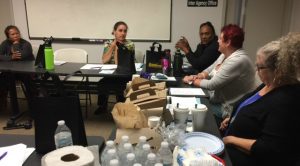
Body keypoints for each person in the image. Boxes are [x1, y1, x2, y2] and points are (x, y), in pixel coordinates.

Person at [220, 33, 300, 166]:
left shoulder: (285, 101)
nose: (256, 71)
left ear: (278, 70)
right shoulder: (269, 83)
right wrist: (234, 117)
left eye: (260, 67)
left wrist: (231, 140)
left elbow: (269, 149)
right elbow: (254, 107)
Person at [182, 24, 255, 124]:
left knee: (189, 110)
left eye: (220, 39)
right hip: (217, 100)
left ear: (228, 42)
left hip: (227, 109)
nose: (218, 41)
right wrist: (198, 76)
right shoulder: (225, 54)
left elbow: (211, 85)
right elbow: (209, 69)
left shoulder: (238, 60)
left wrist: (192, 80)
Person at [95, 21, 135, 114]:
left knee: (120, 86)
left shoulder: (130, 44)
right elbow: (104, 60)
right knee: (101, 84)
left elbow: (119, 63)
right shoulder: (108, 43)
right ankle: (102, 106)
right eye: (120, 30)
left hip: (124, 74)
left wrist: (118, 48)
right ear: (114, 32)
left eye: (125, 31)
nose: (123, 33)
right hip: (111, 74)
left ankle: (121, 106)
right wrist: (113, 46)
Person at [0, 25, 35, 115]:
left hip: (26, 71)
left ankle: (33, 108)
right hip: (11, 71)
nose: (16, 35)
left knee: (29, 82)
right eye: (13, 34)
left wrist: (15, 45)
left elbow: (20, 57)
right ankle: (4, 106)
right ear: (8, 36)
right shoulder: (5, 43)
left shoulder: (26, 44)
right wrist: (11, 57)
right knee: (3, 79)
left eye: (17, 33)